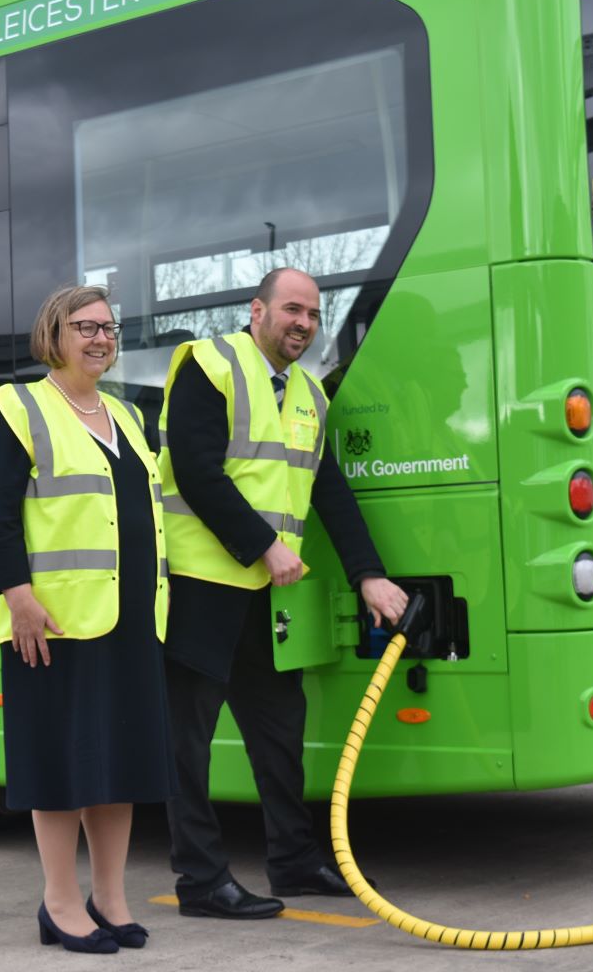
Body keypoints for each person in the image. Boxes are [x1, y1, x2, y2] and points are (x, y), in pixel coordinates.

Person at [158, 267, 409, 919]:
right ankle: (201, 881)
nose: (303, 323)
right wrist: (263, 545)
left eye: (313, 316)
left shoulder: (310, 397)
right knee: (188, 738)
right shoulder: (210, 365)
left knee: (278, 729)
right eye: (292, 310)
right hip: (202, 584)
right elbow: (196, 472)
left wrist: (369, 574)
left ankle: (293, 862)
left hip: (267, 599)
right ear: (258, 310)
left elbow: (330, 491)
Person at [0, 285, 175, 954]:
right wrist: (17, 596)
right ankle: (59, 902)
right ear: (52, 336)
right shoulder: (18, 408)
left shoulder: (124, 415)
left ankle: (110, 897)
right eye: (85, 327)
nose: (101, 339)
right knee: (60, 764)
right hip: (53, 623)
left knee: (117, 764)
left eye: (110, 330)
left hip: (128, 619)